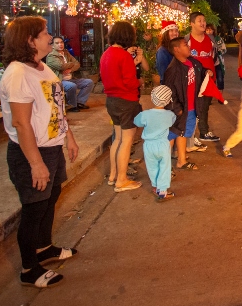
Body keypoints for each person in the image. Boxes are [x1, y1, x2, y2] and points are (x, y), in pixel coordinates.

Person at [0, 16, 79, 288]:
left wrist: (69, 137)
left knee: (51, 196)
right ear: (29, 40)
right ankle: (28, 268)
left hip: (52, 146)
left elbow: (56, 106)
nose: (50, 36)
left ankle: (44, 248)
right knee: (34, 207)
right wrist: (35, 163)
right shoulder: (18, 74)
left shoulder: (43, 68)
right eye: (44, 32)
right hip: (31, 152)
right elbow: (21, 123)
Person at [100, 21, 143, 192]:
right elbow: (130, 82)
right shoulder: (123, 55)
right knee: (127, 140)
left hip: (111, 100)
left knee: (117, 139)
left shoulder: (106, 54)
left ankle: (113, 175)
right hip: (126, 100)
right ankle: (122, 180)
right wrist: (139, 81)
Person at [163, 36, 204, 170]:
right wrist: (177, 108)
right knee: (171, 134)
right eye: (185, 45)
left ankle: (181, 160)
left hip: (191, 107)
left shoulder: (193, 63)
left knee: (183, 133)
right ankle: (164, 166)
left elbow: (200, 75)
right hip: (180, 108)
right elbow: (169, 92)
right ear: (176, 49)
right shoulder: (173, 69)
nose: (189, 47)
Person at [134, 85, 176, 202]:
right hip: (163, 144)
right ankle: (163, 191)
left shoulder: (145, 114)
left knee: (152, 166)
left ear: (152, 99)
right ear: (168, 101)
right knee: (165, 167)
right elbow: (172, 122)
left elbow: (137, 122)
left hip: (149, 145)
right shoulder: (170, 115)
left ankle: (155, 186)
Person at [185, 12, 220, 142]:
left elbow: (214, 57)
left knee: (205, 105)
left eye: (204, 20)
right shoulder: (186, 40)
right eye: (199, 20)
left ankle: (203, 132)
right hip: (192, 79)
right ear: (192, 23)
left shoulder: (211, 39)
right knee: (192, 105)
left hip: (209, 79)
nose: (203, 23)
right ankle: (190, 134)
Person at [46, 37, 93, 112]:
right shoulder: (51, 56)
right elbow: (61, 66)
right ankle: (72, 105)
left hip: (71, 79)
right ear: (52, 45)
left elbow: (77, 64)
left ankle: (79, 102)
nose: (60, 44)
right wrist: (71, 63)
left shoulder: (66, 53)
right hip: (59, 80)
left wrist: (71, 69)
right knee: (71, 86)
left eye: (61, 42)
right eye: (57, 43)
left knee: (88, 82)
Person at [207, 23, 226, 91]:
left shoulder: (218, 39)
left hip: (218, 62)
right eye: (207, 30)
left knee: (220, 79)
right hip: (208, 63)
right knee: (210, 80)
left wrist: (218, 50)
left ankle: (220, 95)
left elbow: (224, 49)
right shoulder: (203, 39)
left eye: (210, 30)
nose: (209, 31)